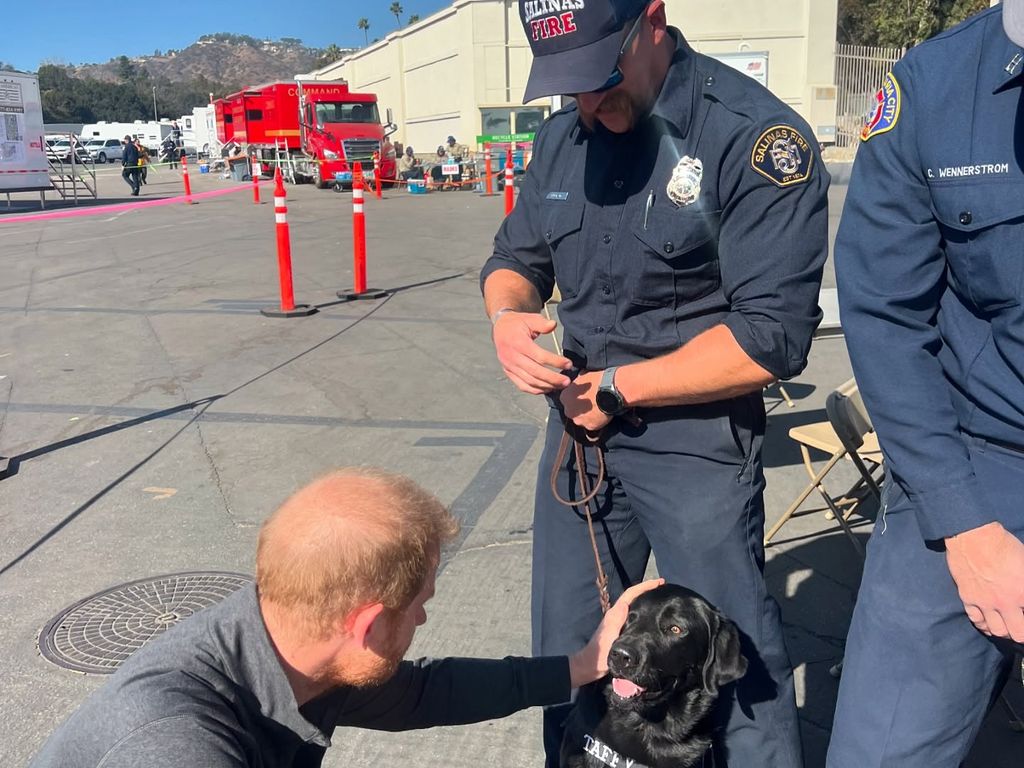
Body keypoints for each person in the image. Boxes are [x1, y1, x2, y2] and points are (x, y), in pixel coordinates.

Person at [480, 1, 828, 766]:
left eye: (602, 78)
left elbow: (771, 339)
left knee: (730, 660)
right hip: (580, 438)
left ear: (654, 22)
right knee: (570, 647)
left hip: (693, 443)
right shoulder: (562, 136)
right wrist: (507, 317)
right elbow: (516, 259)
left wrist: (617, 389)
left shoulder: (753, 137)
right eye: (567, 87)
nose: (586, 104)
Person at [28, 468, 660, 768]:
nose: (423, 621)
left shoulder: (284, 642)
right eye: (419, 608)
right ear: (366, 626)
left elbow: (425, 692)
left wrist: (579, 667)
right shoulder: (174, 746)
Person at [826, 4, 1024, 766]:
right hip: (977, 464)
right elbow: (881, 311)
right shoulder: (934, 88)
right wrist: (963, 526)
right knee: (884, 749)